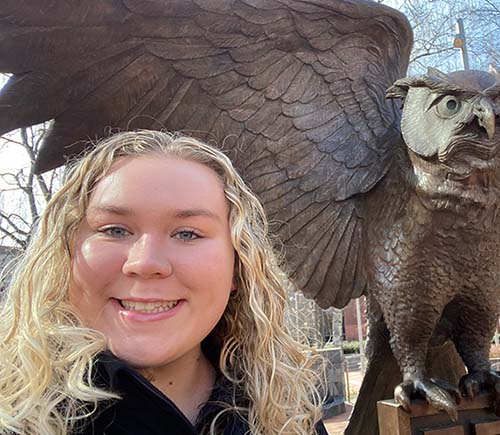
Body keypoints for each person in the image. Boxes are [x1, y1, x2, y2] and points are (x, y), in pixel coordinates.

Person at [0, 130, 329, 435]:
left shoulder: (292, 418)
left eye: (187, 233)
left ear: (238, 266)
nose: (145, 263)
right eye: (115, 230)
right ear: (65, 253)